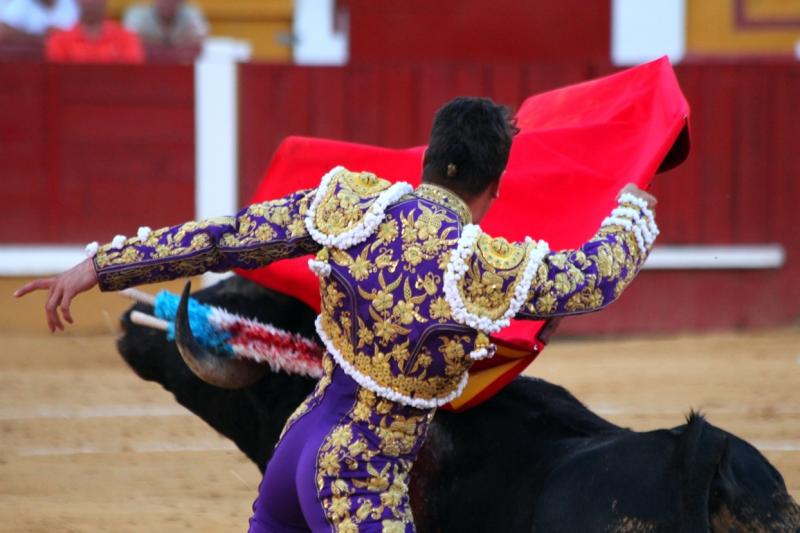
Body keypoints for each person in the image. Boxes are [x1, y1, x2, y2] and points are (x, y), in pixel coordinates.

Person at [16, 97, 658, 532]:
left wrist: (101, 266)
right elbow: (594, 279)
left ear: (430, 157)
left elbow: (223, 238)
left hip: (295, 451)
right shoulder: (481, 264)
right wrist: (633, 213)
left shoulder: (352, 204)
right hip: (360, 478)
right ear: (495, 185)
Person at [45, 0, 144, 63]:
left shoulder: (127, 39)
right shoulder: (59, 41)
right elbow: (57, 79)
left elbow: (131, 77)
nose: (92, 1)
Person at [122, 0, 206, 48]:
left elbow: (199, 41)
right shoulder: (137, 14)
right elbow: (129, 42)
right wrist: (174, 44)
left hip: (180, 69)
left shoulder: (191, 14)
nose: (168, 2)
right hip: (143, 68)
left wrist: (149, 42)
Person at [0, 0, 77, 43]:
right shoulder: (20, 4)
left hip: (69, 54)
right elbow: (4, 30)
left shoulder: (69, 3)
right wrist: (45, 37)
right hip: (31, 60)